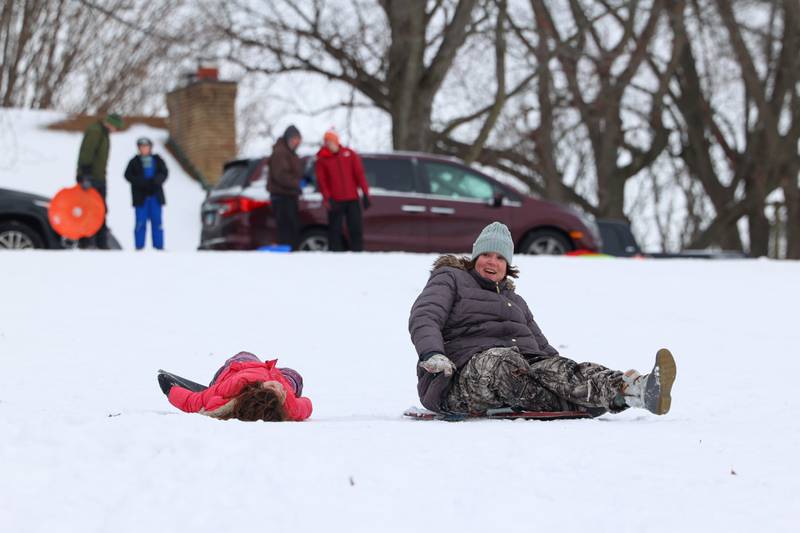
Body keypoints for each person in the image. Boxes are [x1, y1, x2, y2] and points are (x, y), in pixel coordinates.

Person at [408, 221, 677, 416]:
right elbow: (425, 315)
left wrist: (565, 371)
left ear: (508, 265)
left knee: (561, 369)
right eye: (486, 255)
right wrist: (431, 354)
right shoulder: (451, 279)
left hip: (515, 371)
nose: (492, 262)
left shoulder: (516, 301)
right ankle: (585, 401)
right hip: (457, 380)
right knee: (505, 362)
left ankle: (636, 390)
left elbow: (543, 351)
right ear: (475, 256)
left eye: (500, 257)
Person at [158, 351, 312, 422]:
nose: (279, 387)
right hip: (273, 371)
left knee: (245, 355)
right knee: (294, 377)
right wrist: (289, 394)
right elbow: (307, 404)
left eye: (273, 387)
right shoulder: (289, 405)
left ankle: (215, 383)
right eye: (279, 390)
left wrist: (170, 390)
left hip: (239, 369)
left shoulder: (232, 387)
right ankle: (290, 382)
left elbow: (193, 401)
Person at [315, 129, 370, 251]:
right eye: (327, 142)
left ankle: (357, 252)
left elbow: (359, 174)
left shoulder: (349, 154)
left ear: (336, 141)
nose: (329, 144)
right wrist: (327, 198)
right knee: (335, 230)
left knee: (355, 228)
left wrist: (365, 193)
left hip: (352, 199)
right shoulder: (322, 159)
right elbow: (322, 181)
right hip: (335, 200)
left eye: (331, 141)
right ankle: (335, 254)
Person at [76, 112, 124, 249]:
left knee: (100, 210)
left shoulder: (104, 133)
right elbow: (87, 153)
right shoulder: (95, 132)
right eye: (116, 127)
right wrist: (85, 176)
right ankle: (87, 242)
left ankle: (100, 242)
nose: (116, 130)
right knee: (91, 210)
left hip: (99, 178)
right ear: (111, 123)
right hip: (91, 178)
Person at [124, 137, 168, 250]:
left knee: (157, 222)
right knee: (140, 222)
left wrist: (156, 181)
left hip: (155, 196)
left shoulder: (157, 160)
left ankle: (159, 247)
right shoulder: (134, 162)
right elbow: (128, 175)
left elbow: (164, 173)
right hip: (141, 197)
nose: (144, 149)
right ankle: (139, 247)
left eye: (146, 146)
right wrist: (140, 182)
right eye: (142, 147)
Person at [267, 125, 304, 250]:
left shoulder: (291, 154)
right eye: (294, 139)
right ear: (288, 138)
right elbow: (280, 175)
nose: (297, 142)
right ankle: (287, 257)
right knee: (286, 231)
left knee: (292, 230)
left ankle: (291, 254)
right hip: (282, 197)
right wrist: (297, 183)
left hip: (289, 196)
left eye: (298, 139)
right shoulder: (280, 152)